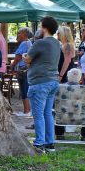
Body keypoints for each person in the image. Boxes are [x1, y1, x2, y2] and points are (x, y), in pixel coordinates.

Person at [24, 16, 61, 152]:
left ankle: (39, 142)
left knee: (38, 114)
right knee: (47, 114)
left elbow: (28, 59)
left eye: (40, 26)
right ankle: (50, 142)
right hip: (53, 81)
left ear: (44, 28)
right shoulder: (57, 43)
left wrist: (24, 57)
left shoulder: (40, 43)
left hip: (40, 82)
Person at [11, 27, 33, 117]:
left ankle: (26, 110)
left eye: (19, 33)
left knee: (24, 89)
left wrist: (12, 65)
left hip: (22, 69)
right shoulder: (29, 43)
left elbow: (19, 57)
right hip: (26, 69)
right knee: (25, 88)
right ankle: (27, 110)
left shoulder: (24, 43)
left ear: (24, 34)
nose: (18, 35)